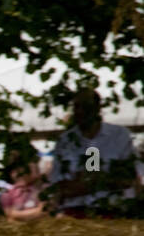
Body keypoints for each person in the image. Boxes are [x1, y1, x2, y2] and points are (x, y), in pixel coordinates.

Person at [50, 88, 140, 216]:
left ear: (98, 108)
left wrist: (85, 182)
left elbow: (128, 179)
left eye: (86, 107)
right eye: (77, 107)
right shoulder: (65, 141)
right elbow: (60, 187)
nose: (80, 112)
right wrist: (103, 180)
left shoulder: (120, 136)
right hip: (75, 214)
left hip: (114, 212)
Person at [0, 145, 48, 222]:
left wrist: (17, 215)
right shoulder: (8, 193)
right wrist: (36, 212)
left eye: (35, 163)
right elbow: (9, 215)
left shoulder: (43, 188)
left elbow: (44, 211)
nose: (35, 166)